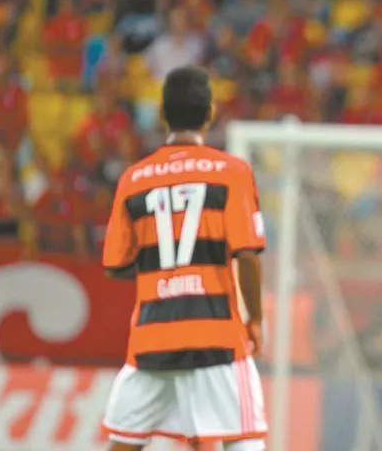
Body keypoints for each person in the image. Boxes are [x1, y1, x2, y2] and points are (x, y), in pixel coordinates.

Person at [101, 66, 268, 451]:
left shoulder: (134, 179)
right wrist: (254, 318)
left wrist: (164, 270)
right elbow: (246, 255)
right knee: (243, 441)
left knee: (123, 444)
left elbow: (114, 265)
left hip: (151, 338)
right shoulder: (231, 172)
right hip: (217, 338)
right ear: (210, 113)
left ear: (162, 114)